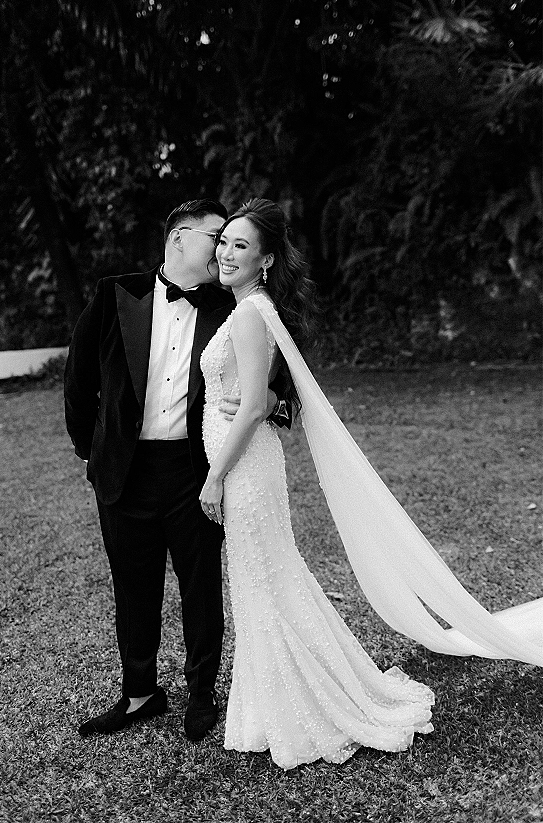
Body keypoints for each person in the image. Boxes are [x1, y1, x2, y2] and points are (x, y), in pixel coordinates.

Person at [197, 197, 543, 770]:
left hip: (243, 468)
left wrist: (213, 478)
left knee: (266, 580)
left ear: (264, 261)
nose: (226, 253)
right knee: (268, 580)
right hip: (243, 462)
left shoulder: (249, 313)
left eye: (240, 245)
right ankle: (279, 700)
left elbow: (254, 404)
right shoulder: (249, 308)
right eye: (224, 242)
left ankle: (312, 704)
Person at [64, 199, 290, 742]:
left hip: (195, 468)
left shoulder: (232, 304)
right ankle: (139, 693)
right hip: (124, 470)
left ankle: (201, 693)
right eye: (216, 237)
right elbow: (79, 377)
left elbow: (276, 366)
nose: (222, 250)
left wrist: (273, 401)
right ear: (178, 239)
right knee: (132, 584)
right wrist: (92, 453)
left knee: (200, 583)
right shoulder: (115, 292)